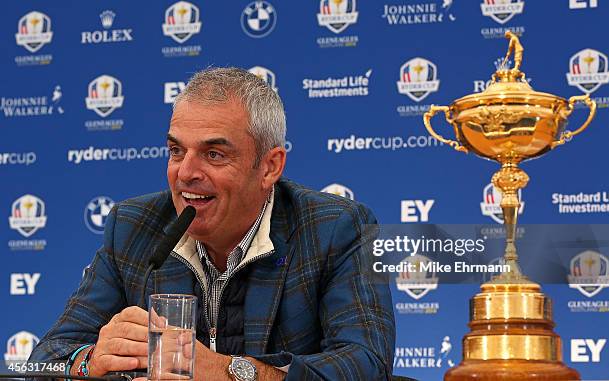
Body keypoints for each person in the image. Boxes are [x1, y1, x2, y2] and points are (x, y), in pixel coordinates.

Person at [29, 68, 395, 380]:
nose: (185, 173)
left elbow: (366, 364)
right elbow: (41, 362)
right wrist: (89, 362)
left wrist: (223, 371)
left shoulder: (336, 228)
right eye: (176, 151)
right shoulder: (133, 227)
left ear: (270, 167)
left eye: (214, 154)